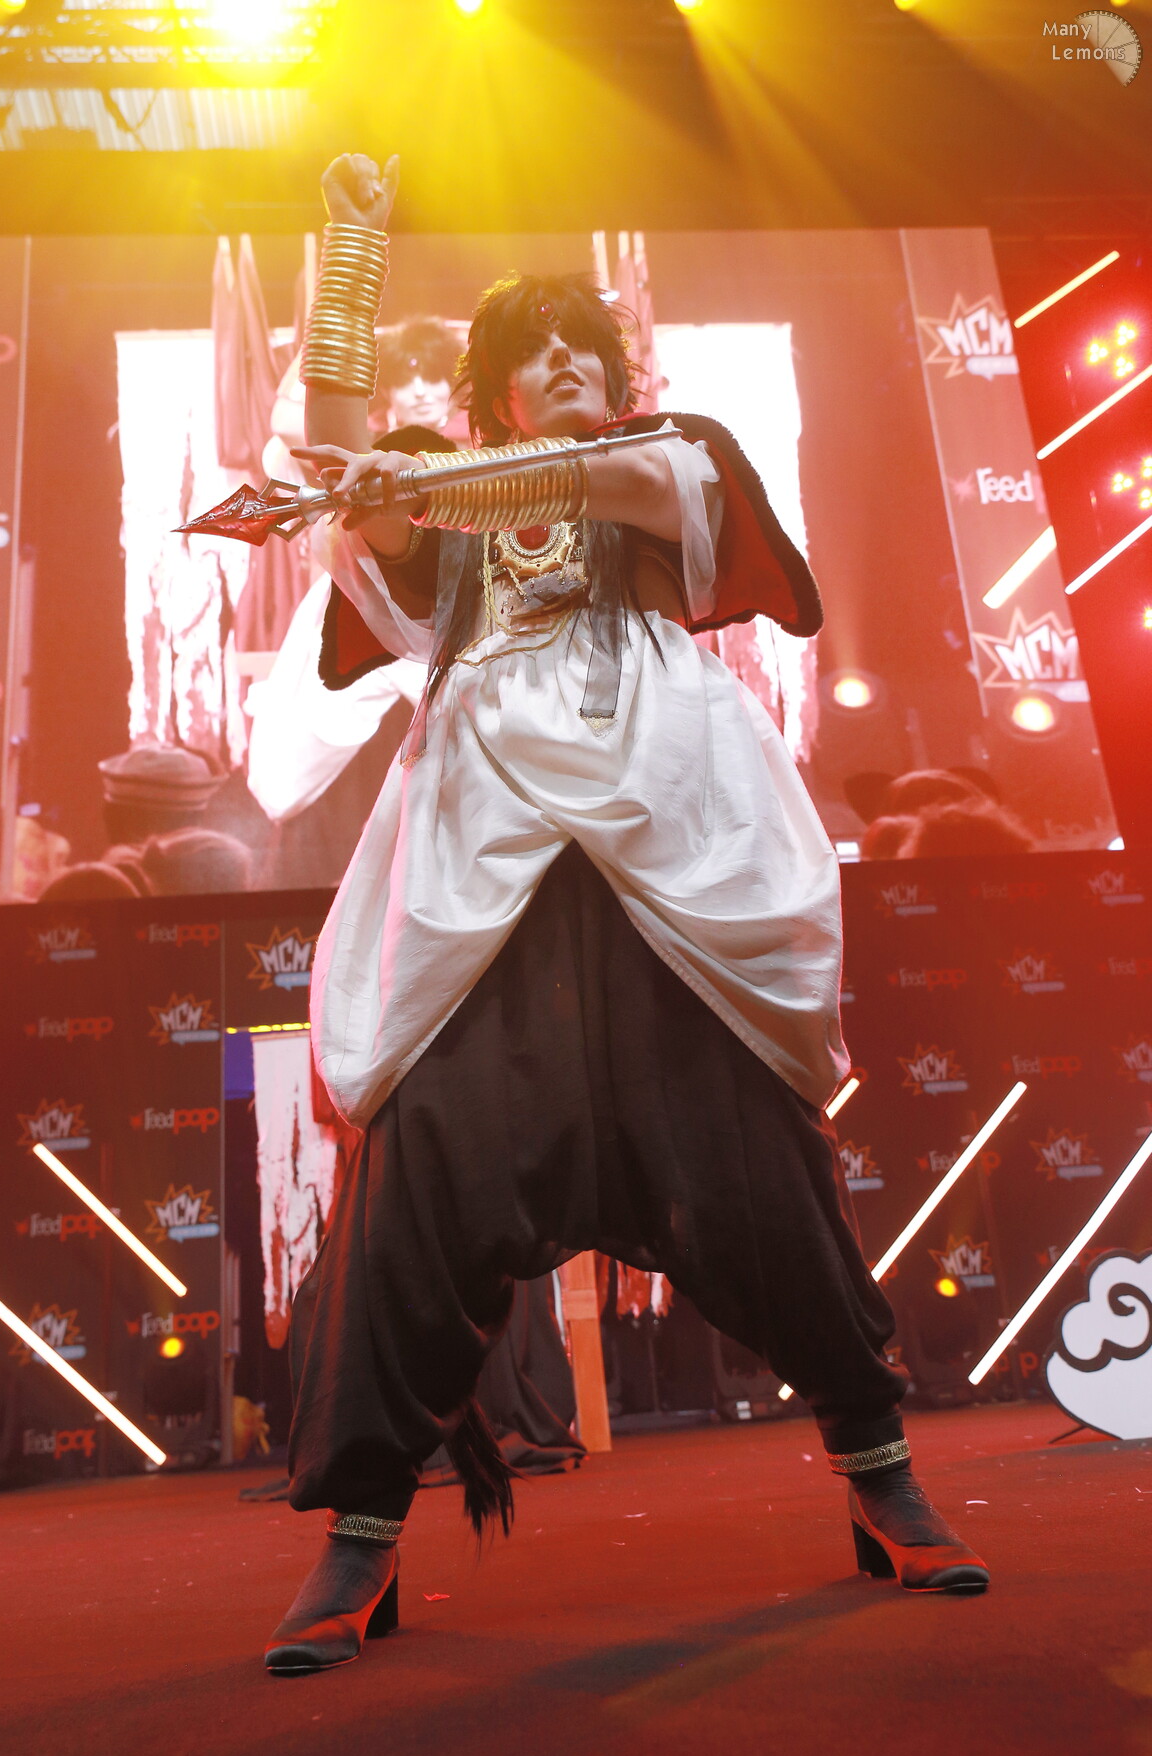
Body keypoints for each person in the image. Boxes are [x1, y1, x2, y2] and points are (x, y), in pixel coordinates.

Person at [263, 153, 989, 1677]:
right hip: (485, 875)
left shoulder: (673, 461)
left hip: (670, 859)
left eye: (583, 344)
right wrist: (350, 251)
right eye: (533, 353)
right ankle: (362, 1542)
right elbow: (339, 465)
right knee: (423, 1173)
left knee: (758, 1169)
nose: (566, 364)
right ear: (491, 387)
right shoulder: (439, 515)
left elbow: (566, 478)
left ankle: (883, 1480)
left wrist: (404, 481)